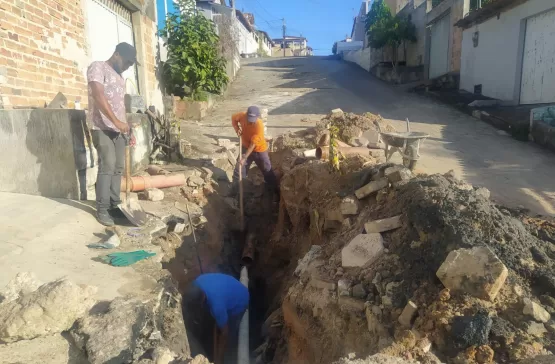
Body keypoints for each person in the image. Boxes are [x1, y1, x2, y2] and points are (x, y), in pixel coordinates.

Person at [87, 42, 139, 226]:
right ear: (117, 54)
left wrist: (127, 127)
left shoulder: (119, 77)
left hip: (118, 130)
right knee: (107, 165)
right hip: (101, 127)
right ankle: (102, 209)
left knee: (118, 167)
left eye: (131, 64)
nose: (128, 66)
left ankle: (114, 205)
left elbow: (120, 107)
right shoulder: (97, 67)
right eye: (127, 62)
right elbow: (98, 95)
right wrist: (115, 122)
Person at [184, 273, 249, 364]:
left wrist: (218, 359)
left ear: (203, 299)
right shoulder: (198, 282)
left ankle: (228, 354)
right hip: (229, 287)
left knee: (229, 332)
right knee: (216, 323)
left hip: (239, 301)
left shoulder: (217, 306)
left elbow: (224, 332)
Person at [232, 106, 277, 190]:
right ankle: (237, 192)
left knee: (267, 170)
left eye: (253, 120)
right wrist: (236, 128)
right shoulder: (241, 115)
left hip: (259, 150)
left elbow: (252, 145)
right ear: (246, 115)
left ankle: (274, 191)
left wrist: (244, 157)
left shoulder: (259, 126)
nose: (251, 122)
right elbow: (233, 118)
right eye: (249, 119)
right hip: (245, 146)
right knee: (239, 170)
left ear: (257, 117)